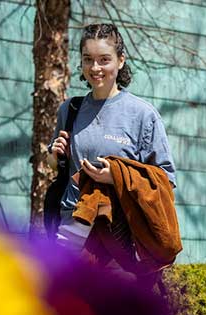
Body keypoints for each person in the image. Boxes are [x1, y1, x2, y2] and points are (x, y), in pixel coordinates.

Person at [47, 24, 177, 261]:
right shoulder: (70, 109)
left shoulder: (142, 114)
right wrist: (55, 158)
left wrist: (116, 176)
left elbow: (165, 180)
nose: (95, 68)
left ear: (120, 60)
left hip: (120, 237)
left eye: (104, 59)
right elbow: (59, 169)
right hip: (70, 234)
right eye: (88, 59)